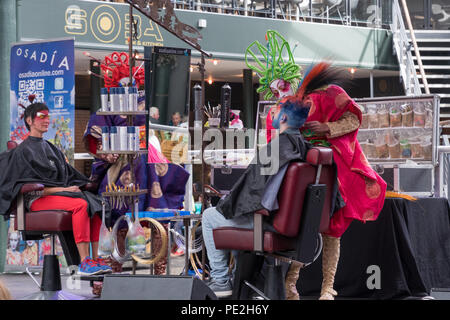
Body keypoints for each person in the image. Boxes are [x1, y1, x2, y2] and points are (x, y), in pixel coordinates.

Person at [279, 62, 387, 300]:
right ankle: (291, 284)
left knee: (332, 229)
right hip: (304, 165)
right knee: (303, 227)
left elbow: (353, 120)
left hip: (333, 170)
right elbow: (280, 126)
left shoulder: (336, 94)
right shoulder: (297, 97)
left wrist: (326, 127)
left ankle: (328, 287)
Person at [201, 99, 312, 297]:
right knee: (234, 213)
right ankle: (238, 284)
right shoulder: (304, 148)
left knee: (210, 216)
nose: (273, 116)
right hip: (292, 225)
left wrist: (231, 202)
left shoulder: (277, 148)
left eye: (276, 113)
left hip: (268, 223)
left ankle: (220, 281)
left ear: (284, 117)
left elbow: (259, 198)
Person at [0, 103, 112, 276]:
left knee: (95, 204)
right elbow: (24, 186)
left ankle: (94, 259)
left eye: (47, 116)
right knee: (80, 205)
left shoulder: (51, 149)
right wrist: (60, 189)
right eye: (41, 116)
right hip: (36, 200)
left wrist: (83, 184)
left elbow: (69, 175)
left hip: (57, 195)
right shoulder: (22, 151)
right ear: (29, 120)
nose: (46, 120)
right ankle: (83, 262)